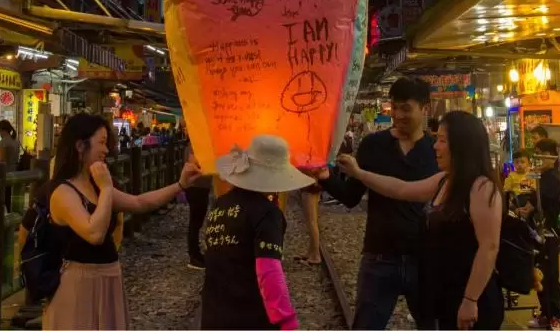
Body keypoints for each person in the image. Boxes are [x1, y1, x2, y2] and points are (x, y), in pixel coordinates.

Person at [337, 111, 504, 330]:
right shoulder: (445, 181)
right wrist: (360, 174)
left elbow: (489, 247)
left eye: (443, 141)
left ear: (462, 145)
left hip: (473, 299)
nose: (435, 146)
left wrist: (470, 300)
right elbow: (400, 189)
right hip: (447, 295)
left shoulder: (481, 187)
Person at [42, 114, 201, 330]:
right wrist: (107, 188)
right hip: (79, 284)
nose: (106, 150)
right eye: (101, 142)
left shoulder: (95, 186)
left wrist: (180, 185)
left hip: (107, 277)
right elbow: (94, 234)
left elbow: (139, 203)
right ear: (80, 146)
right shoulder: (63, 191)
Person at [314, 77, 439, 329]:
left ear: (425, 109)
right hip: (379, 257)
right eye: (394, 107)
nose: (398, 115)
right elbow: (351, 196)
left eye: (406, 108)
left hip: (424, 260)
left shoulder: (436, 151)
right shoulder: (373, 145)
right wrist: (325, 178)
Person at [201, 135, 306, 330]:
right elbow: (269, 270)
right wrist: (286, 320)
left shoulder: (220, 204)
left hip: (214, 313)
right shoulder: (267, 213)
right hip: (250, 317)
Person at [520, 139, 560, 331]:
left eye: (541, 154)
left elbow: (543, 201)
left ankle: (556, 316)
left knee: (551, 276)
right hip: (538, 232)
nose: (538, 158)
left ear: (551, 155)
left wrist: (529, 207)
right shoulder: (541, 176)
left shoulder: (553, 178)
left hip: (549, 233)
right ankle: (545, 314)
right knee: (540, 275)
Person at [185, 148, 212, 270]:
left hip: (201, 187)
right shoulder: (194, 146)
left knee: (197, 223)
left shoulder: (197, 145)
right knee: (195, 223)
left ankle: (195, 254)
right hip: (196, 187)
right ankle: (194, 256)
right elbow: (194, 164)